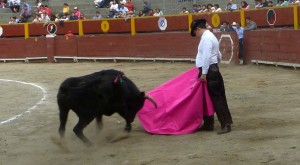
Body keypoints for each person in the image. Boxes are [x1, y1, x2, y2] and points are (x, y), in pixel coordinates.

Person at [190, 19, 233, 134]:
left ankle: (225, 124)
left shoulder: (206, 38)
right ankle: (209, 124)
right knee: (207, 98)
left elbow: (207, 56)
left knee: (217, 98)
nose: (196, 35)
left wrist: (204, 73)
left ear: (198, 29)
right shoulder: (210, 36)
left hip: (209, 72)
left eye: (196, 32)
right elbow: (218, 54)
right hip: (212, 69)